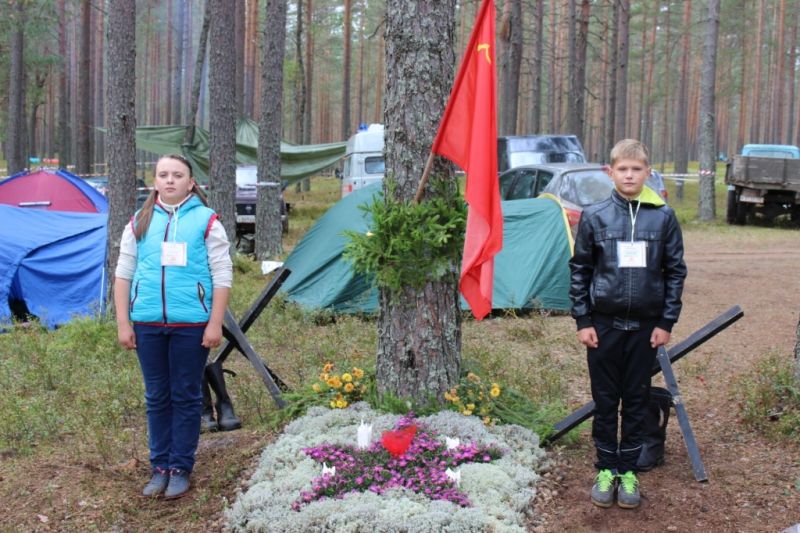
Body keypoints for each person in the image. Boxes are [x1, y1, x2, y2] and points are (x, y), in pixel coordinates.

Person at [569, 139, 687, 509]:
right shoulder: (595, 216)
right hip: (603, 326)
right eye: (623, 169)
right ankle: (606, 468)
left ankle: (630, 470)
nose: (630, 175)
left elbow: (675, 272)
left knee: (636, 399)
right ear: (610, 172)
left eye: (637, 169)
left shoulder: (663, 217)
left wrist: (666, 320)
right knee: (605, 400)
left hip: (645, 329)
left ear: (648, 172)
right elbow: (580, 270)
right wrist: (583, 319)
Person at [114, 154, 233, 499]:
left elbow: (222, 275)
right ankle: (160, 467)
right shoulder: (138, 222)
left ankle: (180, 466)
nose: (170, 180)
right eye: (163, 174)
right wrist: (124, 323)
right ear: (155, 181)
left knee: (185, 395)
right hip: (147, 322)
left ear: (191, 182)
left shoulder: (207, 221)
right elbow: (123, 273)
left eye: (177, 175)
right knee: (156, 396)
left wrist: (214, 324)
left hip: (191, 325)